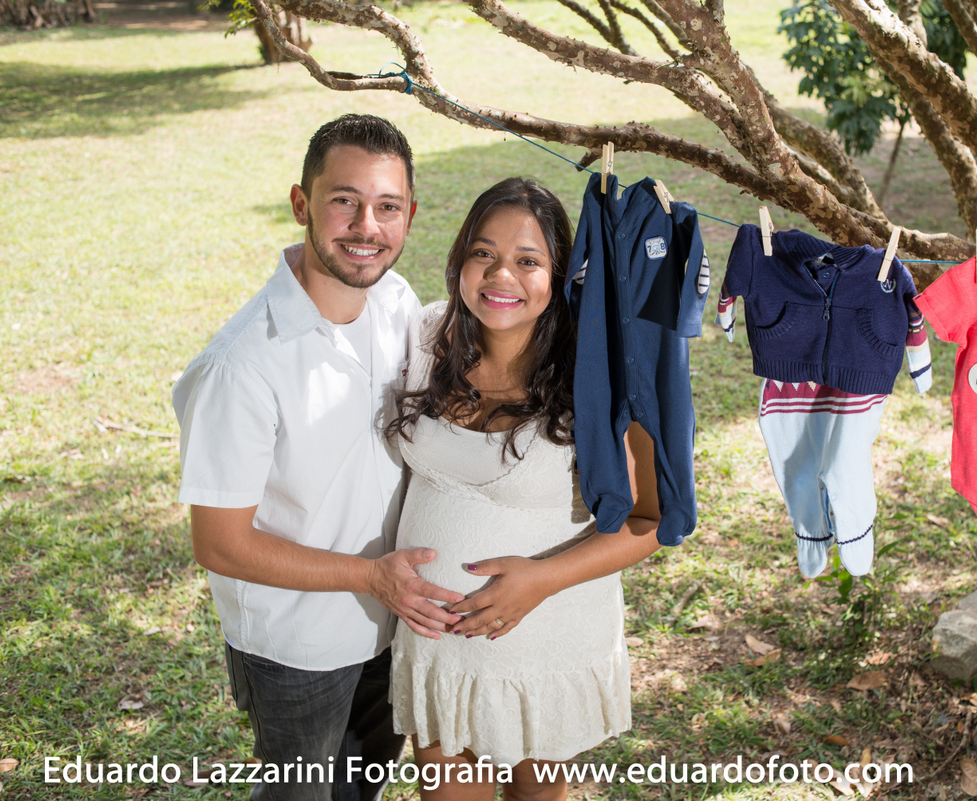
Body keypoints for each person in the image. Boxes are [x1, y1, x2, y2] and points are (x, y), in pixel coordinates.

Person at [172, 114, 466, 801]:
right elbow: (220, 543)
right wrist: (372, 576)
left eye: (387, 206)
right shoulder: (240, 365)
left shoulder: (393, 303)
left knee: (359, 791)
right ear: (302, 203)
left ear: (410, 215)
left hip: (391, 629)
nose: (367, 225)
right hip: (295, 647)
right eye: (344, 200)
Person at [385, 177, 663, 801]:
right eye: (483, 253)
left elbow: (650, 520)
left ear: (560, 274)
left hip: (544, 641)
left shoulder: (605, 374)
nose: (500, 275)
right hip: (439, 648)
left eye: (528, 260)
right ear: (459, 259)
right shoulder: (428, 336)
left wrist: (540, 579)